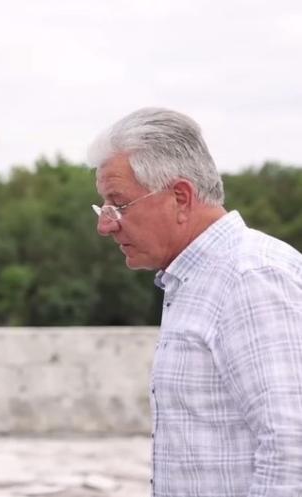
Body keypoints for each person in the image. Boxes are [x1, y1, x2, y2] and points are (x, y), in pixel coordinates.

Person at [89, 108, 302, 496]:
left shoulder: (249, 277)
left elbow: (292, 448)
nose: (105, 225)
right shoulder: (196, 280)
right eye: (103, 207)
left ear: (181, 198)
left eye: (118, 204)